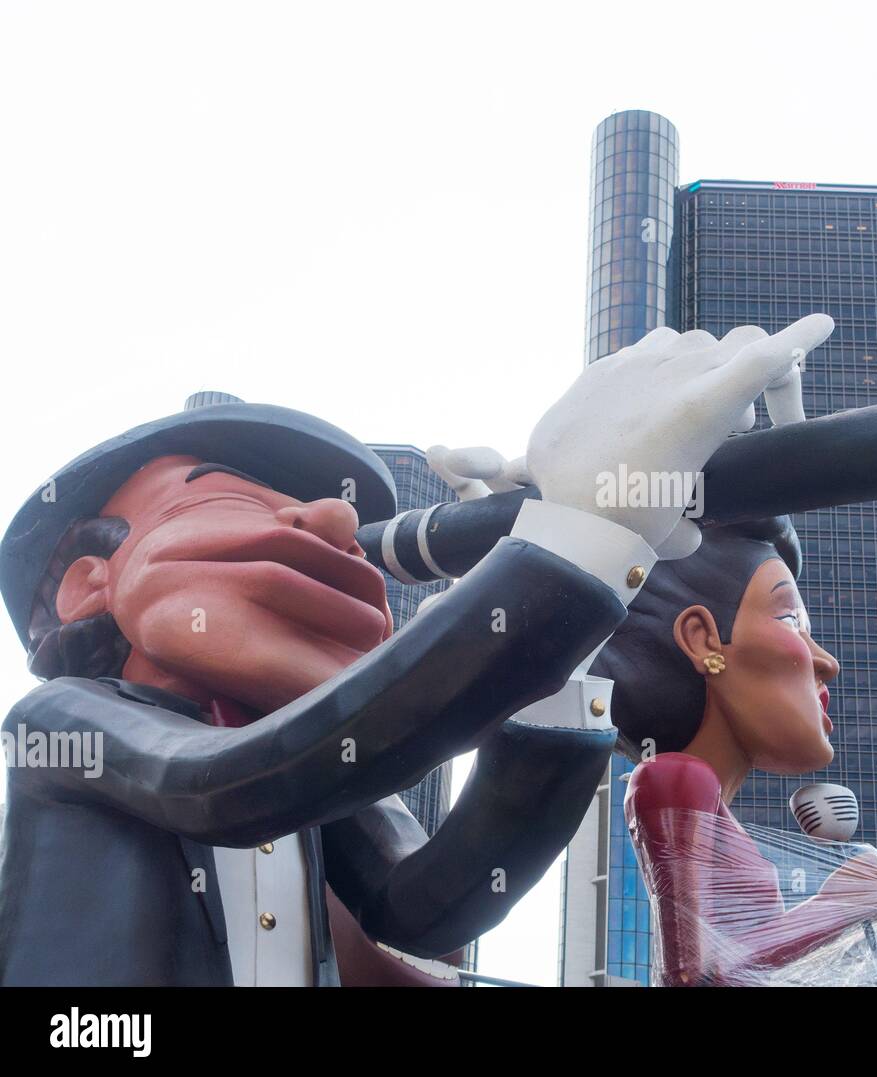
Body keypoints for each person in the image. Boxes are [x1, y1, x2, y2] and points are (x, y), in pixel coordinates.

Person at [0, 315, 834, 985]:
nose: (331, 524)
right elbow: (232, 783)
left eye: (337, 517)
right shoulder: (66, 724)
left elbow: (429, 905)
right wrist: (570, 545)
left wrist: (559, 649)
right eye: (230, 496)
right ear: (87, 582)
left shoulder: (325, 773)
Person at [590, 518, 877, 986]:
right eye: (790, 620)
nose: (826, 662)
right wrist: (840, 901)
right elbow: (694, 973)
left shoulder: (704, 800)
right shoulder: (673, 778)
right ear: (702, 639)